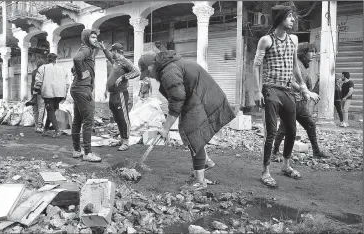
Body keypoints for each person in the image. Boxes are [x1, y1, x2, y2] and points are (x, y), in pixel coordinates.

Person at [138, 51, 235, 191]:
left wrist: (165, 129)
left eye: (147, 72)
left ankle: (199, 181)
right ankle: (205, 162)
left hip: (203, 98)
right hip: (200, 97)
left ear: (152, 65)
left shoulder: (168, 72)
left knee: (193, 133)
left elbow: (177, 99)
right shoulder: (168, 67)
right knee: (191, 132)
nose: (149, 76)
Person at [253, 5, 320, 188]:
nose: (293, 20)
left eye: (293, 16)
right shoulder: (266, 40)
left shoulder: (294, 40)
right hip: (271, 90)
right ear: (280, 18)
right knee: (271, 133)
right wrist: (257, 91)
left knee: (291, 131)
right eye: (289, 16)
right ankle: (265, 171)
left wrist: (304, 89)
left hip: (287, 90)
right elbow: (256, 66)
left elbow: (295, 67)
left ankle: (285, 165)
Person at [272, 42, 330, 159]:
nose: (314, 54)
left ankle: (316, 152)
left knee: (310, 124)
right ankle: (275, 152)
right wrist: (306, 92)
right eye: (311, 51)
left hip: (299, 103)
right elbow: (291, 81)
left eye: (314, 51)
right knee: (284, 128)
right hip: (290, 102)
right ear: (304, 53)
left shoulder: (302, 66)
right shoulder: (296, 64)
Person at [99, 43, 140, 151]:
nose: (111, 53)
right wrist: (104, 49)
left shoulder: (124, 61)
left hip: (120, 93)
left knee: (123, 117)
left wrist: (123, 77)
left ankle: (126, 141)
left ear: (116, 52)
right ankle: (122, 139)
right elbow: (109, 56)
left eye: (112, 51)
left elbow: (136, 72)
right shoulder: (116, 62)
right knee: (117, 118)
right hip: (112, 94)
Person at [70, 29, 101, 162]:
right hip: (83, 89)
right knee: (88, 121)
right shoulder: (86, 49)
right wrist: (82, 73)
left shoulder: (87, 50)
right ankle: (87, 153)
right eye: (93, 37)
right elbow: (76, 59)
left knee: (77, 120)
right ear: (86, 38)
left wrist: (80, 71)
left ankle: (77, 150)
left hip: (77, 89)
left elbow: (75, 65)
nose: (95, 39)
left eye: (96, 37)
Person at [33, 53, 70, 138]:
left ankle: (57, 131)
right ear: (55, 60)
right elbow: (67, 83)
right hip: (60, 94)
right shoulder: (63, 69)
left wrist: (35, 91)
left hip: (48, 93)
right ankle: (45, 130)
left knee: (50, 111)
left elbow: (38, 82)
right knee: (52, 111)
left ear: (47, 59)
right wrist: (65, 94)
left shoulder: (43, 68)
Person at [30, 59, 46, 133]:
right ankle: (39, 126)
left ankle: (36, 126)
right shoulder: (42, 72)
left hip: (33, 93)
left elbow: (33, 83)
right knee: (41, 108)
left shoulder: (33, 72)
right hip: (40, 92)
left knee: (35, 109)